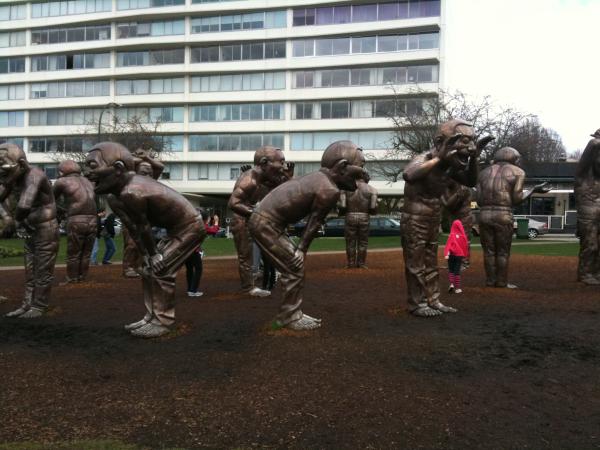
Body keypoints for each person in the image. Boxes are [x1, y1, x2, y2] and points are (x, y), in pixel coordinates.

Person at [84, 142, 206, 338]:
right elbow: (133, 228)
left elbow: (143, 226)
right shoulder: (115, 198)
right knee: (147, 269)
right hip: (173, 229)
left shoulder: (132, 190)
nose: (87, 173)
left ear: (118, 169)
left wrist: (155, 255)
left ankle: (163, 322)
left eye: (92, 166)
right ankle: (151, 317)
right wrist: (147, 255)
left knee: (161, 269)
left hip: (191, 226)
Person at [247, 140, 365, 330]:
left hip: (266, 222)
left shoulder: (318, 178)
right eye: (360, 168)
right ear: (342, 167)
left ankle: (293, 313)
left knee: (293, 266)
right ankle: (289, 317)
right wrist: (301, 250)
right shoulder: (329, 189)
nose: (363, 174)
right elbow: (314, 223)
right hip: (265, 224)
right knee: (294, 265)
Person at [401, 119, 494, 317]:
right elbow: (409, 174)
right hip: (415, 218)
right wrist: (438, 158)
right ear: (440, 142)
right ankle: (417, 304)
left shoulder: (449, 167)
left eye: (472, 141)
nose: (470, 147)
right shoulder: (426, 158)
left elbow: (470, 180)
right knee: (416, 264)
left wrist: (475, 158)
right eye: (464, 141)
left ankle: (433, 300)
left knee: (431, 263)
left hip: (433, 218)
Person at [0, 143, 59, 319]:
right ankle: (27, 305)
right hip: (31, 230)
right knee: (31, 269)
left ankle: (39, 306)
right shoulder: (14, 178)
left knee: (43, 269)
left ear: (21, 164)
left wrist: (16, 221)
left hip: (46, 228)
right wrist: (7, 217)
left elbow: (25, 205)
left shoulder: (34, 175)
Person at [476, 147, 549, 288]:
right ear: (514, 158)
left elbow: (478, 200)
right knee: (502, 252)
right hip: (503, 215)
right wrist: (533, 190)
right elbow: (517, 198)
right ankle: (501, 282)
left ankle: (490, 281)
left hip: (484, 215)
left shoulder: (483, 173)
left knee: (489, 251)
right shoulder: (518, 172)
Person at [228, 146, 293, 297]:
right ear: (264, 163)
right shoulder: (249, 180)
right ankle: (248, 287)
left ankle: (273, 273)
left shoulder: (262, 178)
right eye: (280, 162)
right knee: (245, 255)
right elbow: (233, 203)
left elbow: (284, 189)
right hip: (241, 220)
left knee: (270, 248)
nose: (282, 166)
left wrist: (288, 176)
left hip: (252, 219)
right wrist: (256, 213)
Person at [52, 160, 97, 284]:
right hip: (93, 220)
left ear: (62, 171)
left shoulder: (62, 181)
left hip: (76, 220)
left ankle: (72, 278)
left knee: (74, 252)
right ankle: (82, 277)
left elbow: (49, 200)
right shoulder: (88, 182)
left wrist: (62, 211)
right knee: (86, 252)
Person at [122, 149, 164, 278]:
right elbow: (127, 163)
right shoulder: (129, 180)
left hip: (145, 219)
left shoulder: (150, 182)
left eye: (150, 173)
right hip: (131, 218)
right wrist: (142, 157)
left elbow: (160, 167)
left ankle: (139, 266)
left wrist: (146, 157)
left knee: (145, 244)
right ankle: (128, 267)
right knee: (132, 244)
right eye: (144, 173)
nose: (148, 176)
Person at [574, 130, 600, 285]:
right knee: (590, 243)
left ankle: (596, 273)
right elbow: (593, 145)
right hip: (588, 207)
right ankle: (586, 273)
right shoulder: (584, 177)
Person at [339, 171, 378, 269]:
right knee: (363, 242)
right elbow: (373, 207)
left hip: (350, 216)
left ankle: (351, 263)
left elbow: (343, 206)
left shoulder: (345, 189)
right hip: (364, 217)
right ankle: (361, 263)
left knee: (350, 242)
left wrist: (340, 212)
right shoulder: (372, 190)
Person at [184, 211, 219, 297]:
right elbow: (213, 231)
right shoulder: (202, 225)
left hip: (186, 251)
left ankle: (190, 289)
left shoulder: (192, 224)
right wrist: (216, 222)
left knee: (189, 269)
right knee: (198, 269)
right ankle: (193, 290)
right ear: (206, 219)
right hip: (194, 251)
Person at [444, 219, 469, 294]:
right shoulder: (463, 236)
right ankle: (457, 288)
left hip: (451, 255)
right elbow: (465, 246)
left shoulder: (451, 235)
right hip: (459, 256)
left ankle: (451, 284)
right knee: (457, 271)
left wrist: (446, 254)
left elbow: (448, 245)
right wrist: (465, 255)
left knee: (451, 270)